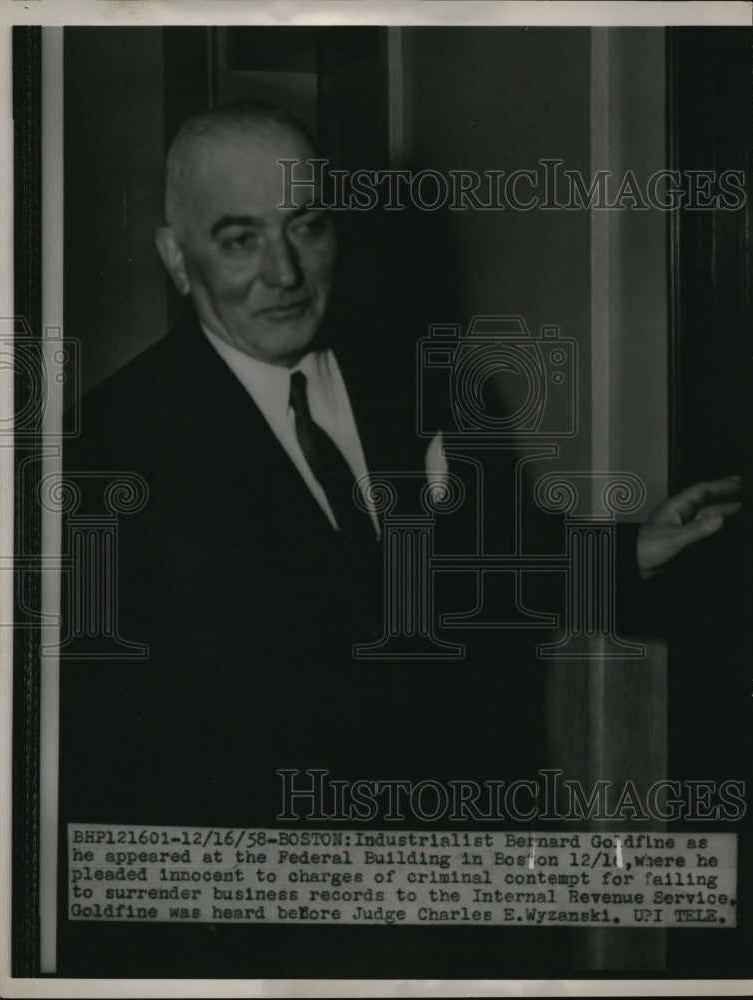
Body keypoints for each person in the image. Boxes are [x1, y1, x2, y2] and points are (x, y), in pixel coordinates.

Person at [58, 101, 741, 975]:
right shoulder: (108, 448)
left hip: (468, 910)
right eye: (240, 239)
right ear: (174, 257)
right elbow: (118, 770)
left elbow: (497, 574)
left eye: (307, 226)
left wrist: (630, 550)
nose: (286, 271)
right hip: (277, 943)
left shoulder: (424, 375)